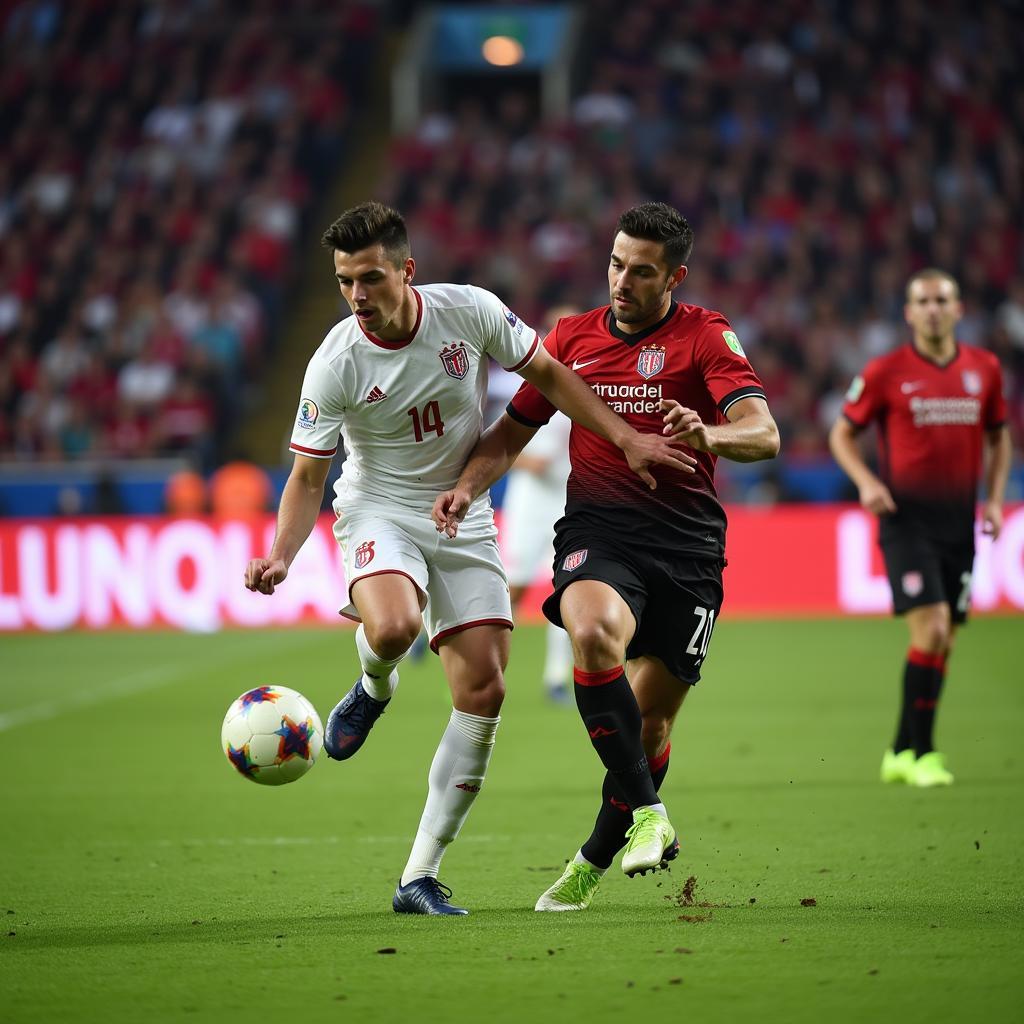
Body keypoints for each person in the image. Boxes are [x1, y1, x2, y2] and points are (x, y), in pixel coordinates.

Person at [243, 201, 694, 916]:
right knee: (393, 625)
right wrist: (280, 554)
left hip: (464, 510)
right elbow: (306, 477)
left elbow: (551, 375)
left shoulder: (470, 313)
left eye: (370, 278)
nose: (357, 296)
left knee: (483, 691)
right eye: (343, 282)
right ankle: (374, 682)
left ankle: (417, 876)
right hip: (378, 509)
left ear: (406, 271)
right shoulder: (334, 361)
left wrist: (624, 436)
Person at [433, 201, 780, 911]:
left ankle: (594, 856)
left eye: (642, 271)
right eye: (617, 263)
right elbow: (509, 433)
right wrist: (468, 487)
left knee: (649, 727)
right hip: (601, 531)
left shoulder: (705, 337)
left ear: (674, 277)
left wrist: (709, 437)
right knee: (590, 633)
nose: (622, 280)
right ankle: (652, 816)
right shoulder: (571, 338)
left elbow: (764, 434)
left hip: (688, 549)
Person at [829, 268, 1011, 788]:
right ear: (909, 313)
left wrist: (996, 500)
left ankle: (899, 749)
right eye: (923, 301)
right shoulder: (887, 371)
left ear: (959, 309)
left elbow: (1000, 438)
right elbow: (842, 433)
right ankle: (925, 754)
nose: (933, 308)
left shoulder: (985, 369)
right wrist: (866, 482)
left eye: (942, 300)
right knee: (930, 630)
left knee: (944, 642)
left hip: (959, 523)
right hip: (905, 521)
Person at [500, 306, 578, 703]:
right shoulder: (531, 381)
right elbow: (505, 443)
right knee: (514, 588)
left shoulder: (587, 382)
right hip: (529, 498)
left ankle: (556, 679)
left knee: (564, 587)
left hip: (565, 497)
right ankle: (484, 664)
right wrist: (531, 460)